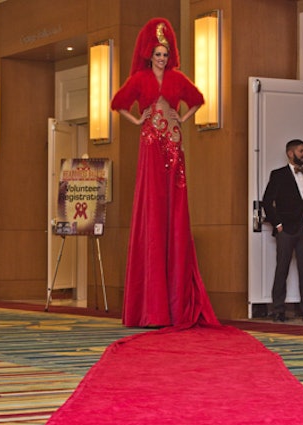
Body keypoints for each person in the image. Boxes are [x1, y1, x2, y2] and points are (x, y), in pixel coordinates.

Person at [111, 18, 218, 328]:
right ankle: (153, 304)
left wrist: (181, 117)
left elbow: (197, 100)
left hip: (172, 141)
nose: (161, 58)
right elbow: (118, 104)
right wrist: (136, 119)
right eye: (157, 53)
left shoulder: (177, 78)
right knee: (153, 205)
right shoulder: (140, 78)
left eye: (165, 53)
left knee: (174, 207)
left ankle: (173, 303)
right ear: (149, 55)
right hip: (150, 142)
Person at [262, 139, 303, 322]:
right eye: (301, 151)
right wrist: (277, 224)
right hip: (286, 230)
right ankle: (278, 310)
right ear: (290, 153)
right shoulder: (278, 175)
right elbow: (267, 202)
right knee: (282, 269)